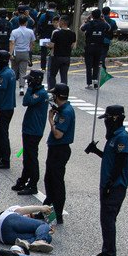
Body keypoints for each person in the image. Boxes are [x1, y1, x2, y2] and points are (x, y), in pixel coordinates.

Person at [85, 104, 128, 256]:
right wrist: (96, 151)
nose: (105, 123)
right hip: (108, 185)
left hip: (115, 187)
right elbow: (109, 158)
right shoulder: (114, 136)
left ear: (114, 119)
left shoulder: (122, 138)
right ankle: (106, 250)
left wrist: (110, 185)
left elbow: (119, 164)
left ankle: (111, 255)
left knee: (108, 219)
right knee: (105, 220)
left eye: (107, 119)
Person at [13, 69, 49, 195]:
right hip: (29, 128)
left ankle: (33, 184)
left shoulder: (40, 93)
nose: (28, 81)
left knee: (31, 158)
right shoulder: (37, 91)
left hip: (34, 130)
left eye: (30, 80)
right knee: (27, 157)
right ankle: (23, 180)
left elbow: (26, 102)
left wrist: (29, 88)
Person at [43, 83, 74, 222]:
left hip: (59, 149)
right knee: (49, 180)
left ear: (58, 96)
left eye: (54, 94)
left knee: (56, 182)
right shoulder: (61, 109)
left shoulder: (65, 112)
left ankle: (58, 213)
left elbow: (58, 135)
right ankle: (47, 208)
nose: (52, 97)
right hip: (55, 149)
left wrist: (50, 120)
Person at [80, 8, 111, 88]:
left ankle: (89, 83)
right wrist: (103, 20)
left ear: (92, 16)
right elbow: (109, 27)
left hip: (89, 46)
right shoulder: (102, 24)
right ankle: (96, 83)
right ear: (100, 16)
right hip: (99, 47)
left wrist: (86, 21)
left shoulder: (89, 24)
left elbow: (81, 28)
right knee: (96, 65)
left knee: (89, 65)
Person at [47, 13, 75, 87]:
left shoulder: (57, 33)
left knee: (52, 75)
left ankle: (53, 90)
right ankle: (63, 91)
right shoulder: (73, 34)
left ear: (62, 22)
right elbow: (72, 46)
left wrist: (47, 45)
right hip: (66, 57)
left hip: (56, 57)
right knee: (64, 75)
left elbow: (52, 45)